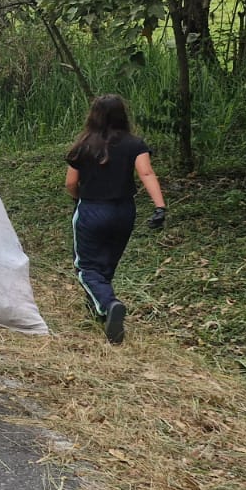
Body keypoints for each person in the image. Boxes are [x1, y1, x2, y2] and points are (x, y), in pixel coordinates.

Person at [65, 94, 166, 345]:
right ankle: (98, 311)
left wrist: (79, 199)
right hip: (124, 211)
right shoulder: (135, 144)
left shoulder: (83, 145)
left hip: (92, 210)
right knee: (106, 263)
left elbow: (70, 183)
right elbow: (146, 172)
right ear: (123, 114)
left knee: (86, 268)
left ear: (94, 115)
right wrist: (160, 206)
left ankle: (109, 305)